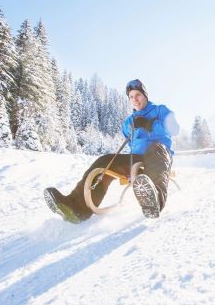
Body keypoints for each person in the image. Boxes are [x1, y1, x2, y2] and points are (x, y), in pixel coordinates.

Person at [44, 79, 180, 223]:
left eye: (138, 95)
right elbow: (129, 136)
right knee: (105, 161)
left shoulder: (160, 110)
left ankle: (155, 202)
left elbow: (175, 129)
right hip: (137, 160)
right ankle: (77, 207)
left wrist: (150, 124)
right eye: (131, 97)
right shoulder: (129, 121)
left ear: (145, 95)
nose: (135, 99)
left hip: (159, 156)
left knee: (155, 148)